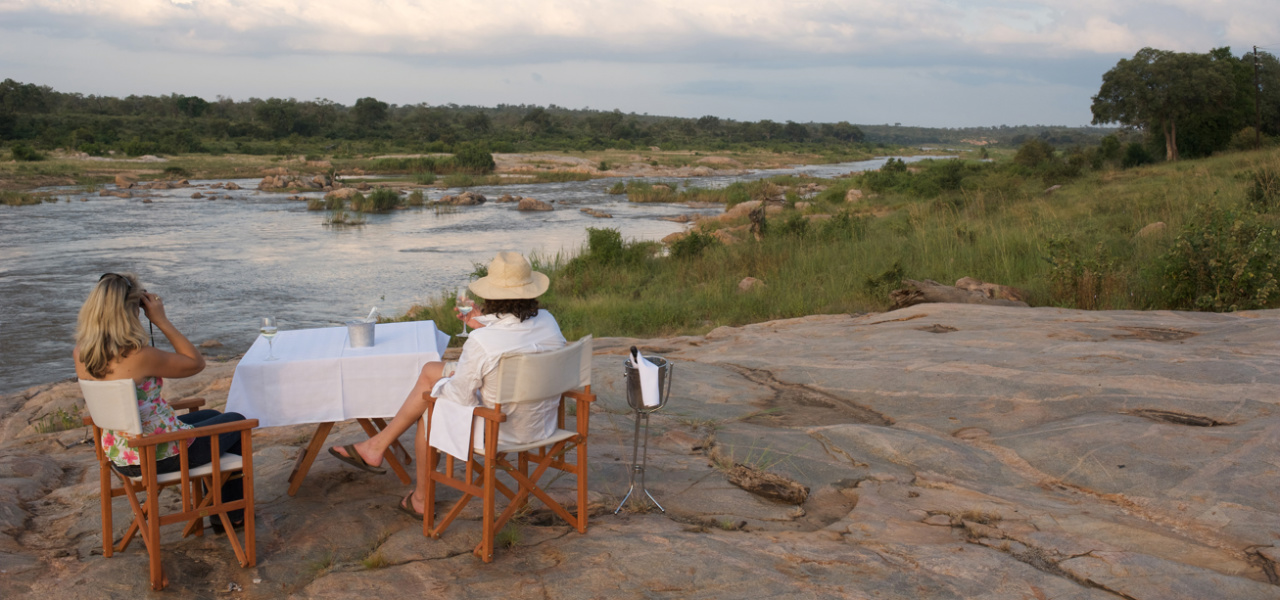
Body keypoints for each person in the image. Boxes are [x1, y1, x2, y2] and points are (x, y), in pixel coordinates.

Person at [329, 251, 566, 517]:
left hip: (500, 428)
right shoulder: (547, 321)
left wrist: (446, 383)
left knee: (430, 405)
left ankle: (419, 496)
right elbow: (513, 338)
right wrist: (480, 326)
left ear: (490, 296)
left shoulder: (483, 343)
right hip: (542, 424)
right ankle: (376, 447)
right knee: (432, 370)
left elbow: (460, 399)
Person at [74, 272, 247, 530]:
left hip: (121, 453)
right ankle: (229, 517)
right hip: (157, 454)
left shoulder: (81, 352)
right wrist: (160, 320)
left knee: (208, 414)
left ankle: (222, 508)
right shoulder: (138, 356)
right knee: (236, 422)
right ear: (131, 311)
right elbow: (195, 363)